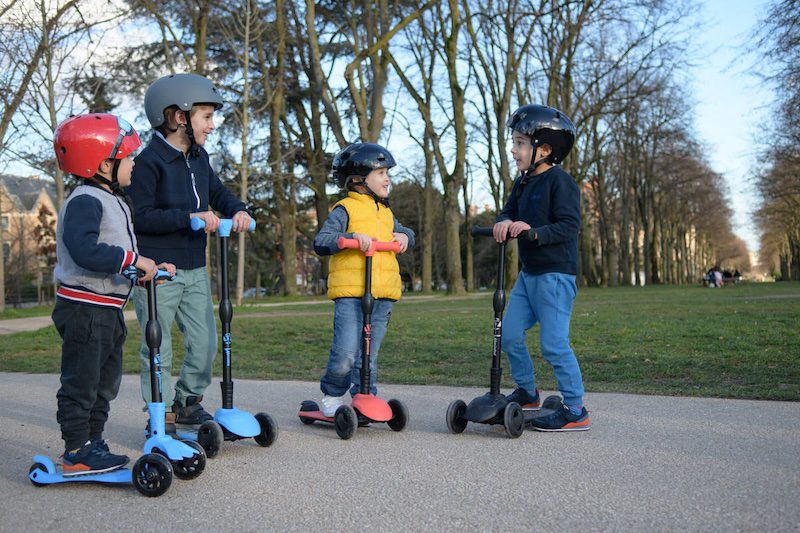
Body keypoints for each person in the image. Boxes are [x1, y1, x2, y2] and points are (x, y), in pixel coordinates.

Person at [51, 113, 175, 474]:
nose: (134, 164)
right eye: (128, 157)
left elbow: (113, 258)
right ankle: (76, 449)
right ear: (104, 163)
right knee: (82, 382)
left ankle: (94, 442)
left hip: (107, 309)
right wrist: (131, 259)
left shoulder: (111, 199)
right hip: (84, 310)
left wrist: (141, 272)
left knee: (105, 384)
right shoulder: (85, 200)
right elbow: (85, 250)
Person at [127, 73, 251, 426]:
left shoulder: (199, 158)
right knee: (158, 346)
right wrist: (189, 217)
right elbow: (142, 216)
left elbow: (218, 193)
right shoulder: (147, 162)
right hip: (159, 271)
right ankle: (160, 410)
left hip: (195, 267)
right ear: (179, 117)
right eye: (206, 117)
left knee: (205, 342)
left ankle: (187, 401)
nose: (212, 125)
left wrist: (238, 209)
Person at [493, 104, 590, 431]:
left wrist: (532, 232)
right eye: (514, 141)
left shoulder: (559, 182)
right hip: (528, 276)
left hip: (555, 276)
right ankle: (528, 391)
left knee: (553, 344)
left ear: (545, 149)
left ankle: (576, 408)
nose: (513, 149)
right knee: (508, 334)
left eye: (520, 142)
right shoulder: (521, 183)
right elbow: (507, 212)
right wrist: (503, 223)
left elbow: (569, 225)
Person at [312, 143, 415, 417]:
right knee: (346, 352)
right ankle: (332, 396)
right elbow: (321, 241)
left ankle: (364, 396)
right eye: (381, 172)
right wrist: (350, 239)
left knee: (369, 355)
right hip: (351, 293)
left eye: (387, 173)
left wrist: (405, 237)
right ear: (358, 179)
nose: (387, 178)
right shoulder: (344, 209)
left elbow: (405, 232)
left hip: (383, 294)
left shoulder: (386, 212)